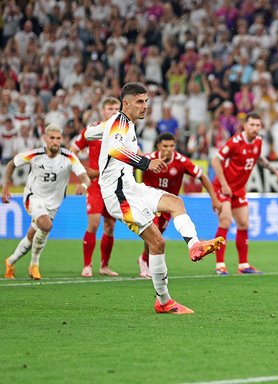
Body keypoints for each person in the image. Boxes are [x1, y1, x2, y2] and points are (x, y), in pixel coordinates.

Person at [84, 82, 224, 314]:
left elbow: (89, 134)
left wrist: (98, 128)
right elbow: (114, 150)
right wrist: (146, 162)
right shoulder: (120, 123)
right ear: (125, 103)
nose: (145, 106)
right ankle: (164, 301)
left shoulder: (118, 123)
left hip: (130, 186)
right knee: (157, 242)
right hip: (118, 195)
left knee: (175, 202)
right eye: (139, 101)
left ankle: (194, 244)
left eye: (146, 101)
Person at [3, 124, 91, 280]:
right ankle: (34, 264)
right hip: (33, 197)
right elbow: (11, 164)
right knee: (46, 225)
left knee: (33, 234)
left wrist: (83, 185)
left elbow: (85, 177)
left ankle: (10, 261)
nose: (55, 142)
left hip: (54, 203)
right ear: (45, 139)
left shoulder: (69, 157)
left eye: (58, 138)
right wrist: (5, 188)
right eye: (52, 138)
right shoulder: (35, 154)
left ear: (62, 139)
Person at [211, 112, 278, 275]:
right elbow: (215, 160)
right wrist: (225, 185)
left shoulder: (258, 142)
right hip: (223, 187)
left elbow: (258, 159)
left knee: (244, 224)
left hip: (239, 189)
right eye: (252, 125)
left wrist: (275, 171)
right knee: (225, 221)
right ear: (245, 126)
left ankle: (243, 265)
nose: (255, 128)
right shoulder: (235, 142)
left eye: (258, 125)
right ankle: (220, 265)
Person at [137, 132, 222, 278]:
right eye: (165, 146)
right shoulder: (149, 160)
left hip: (168, 205)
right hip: (149, 202)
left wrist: (214, 198)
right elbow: (131, 167)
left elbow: (202, 176)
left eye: (171, 146)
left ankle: (144, 258)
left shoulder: (181, 161)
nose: (168, 149)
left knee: (157, 236)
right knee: (154, 231)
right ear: (158, 146)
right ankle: (150, 264)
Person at [70, 97, 121, 277]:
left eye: (116, 108)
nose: (114, 111)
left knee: (109, 226)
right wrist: (82, 176)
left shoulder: (124, 131)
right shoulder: (92, 130)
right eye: (110, 108)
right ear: (103, 111)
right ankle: (87, 265)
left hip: (114, 186)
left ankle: (104, 266)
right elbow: (72, 151)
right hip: (95, 185)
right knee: (93, 223)